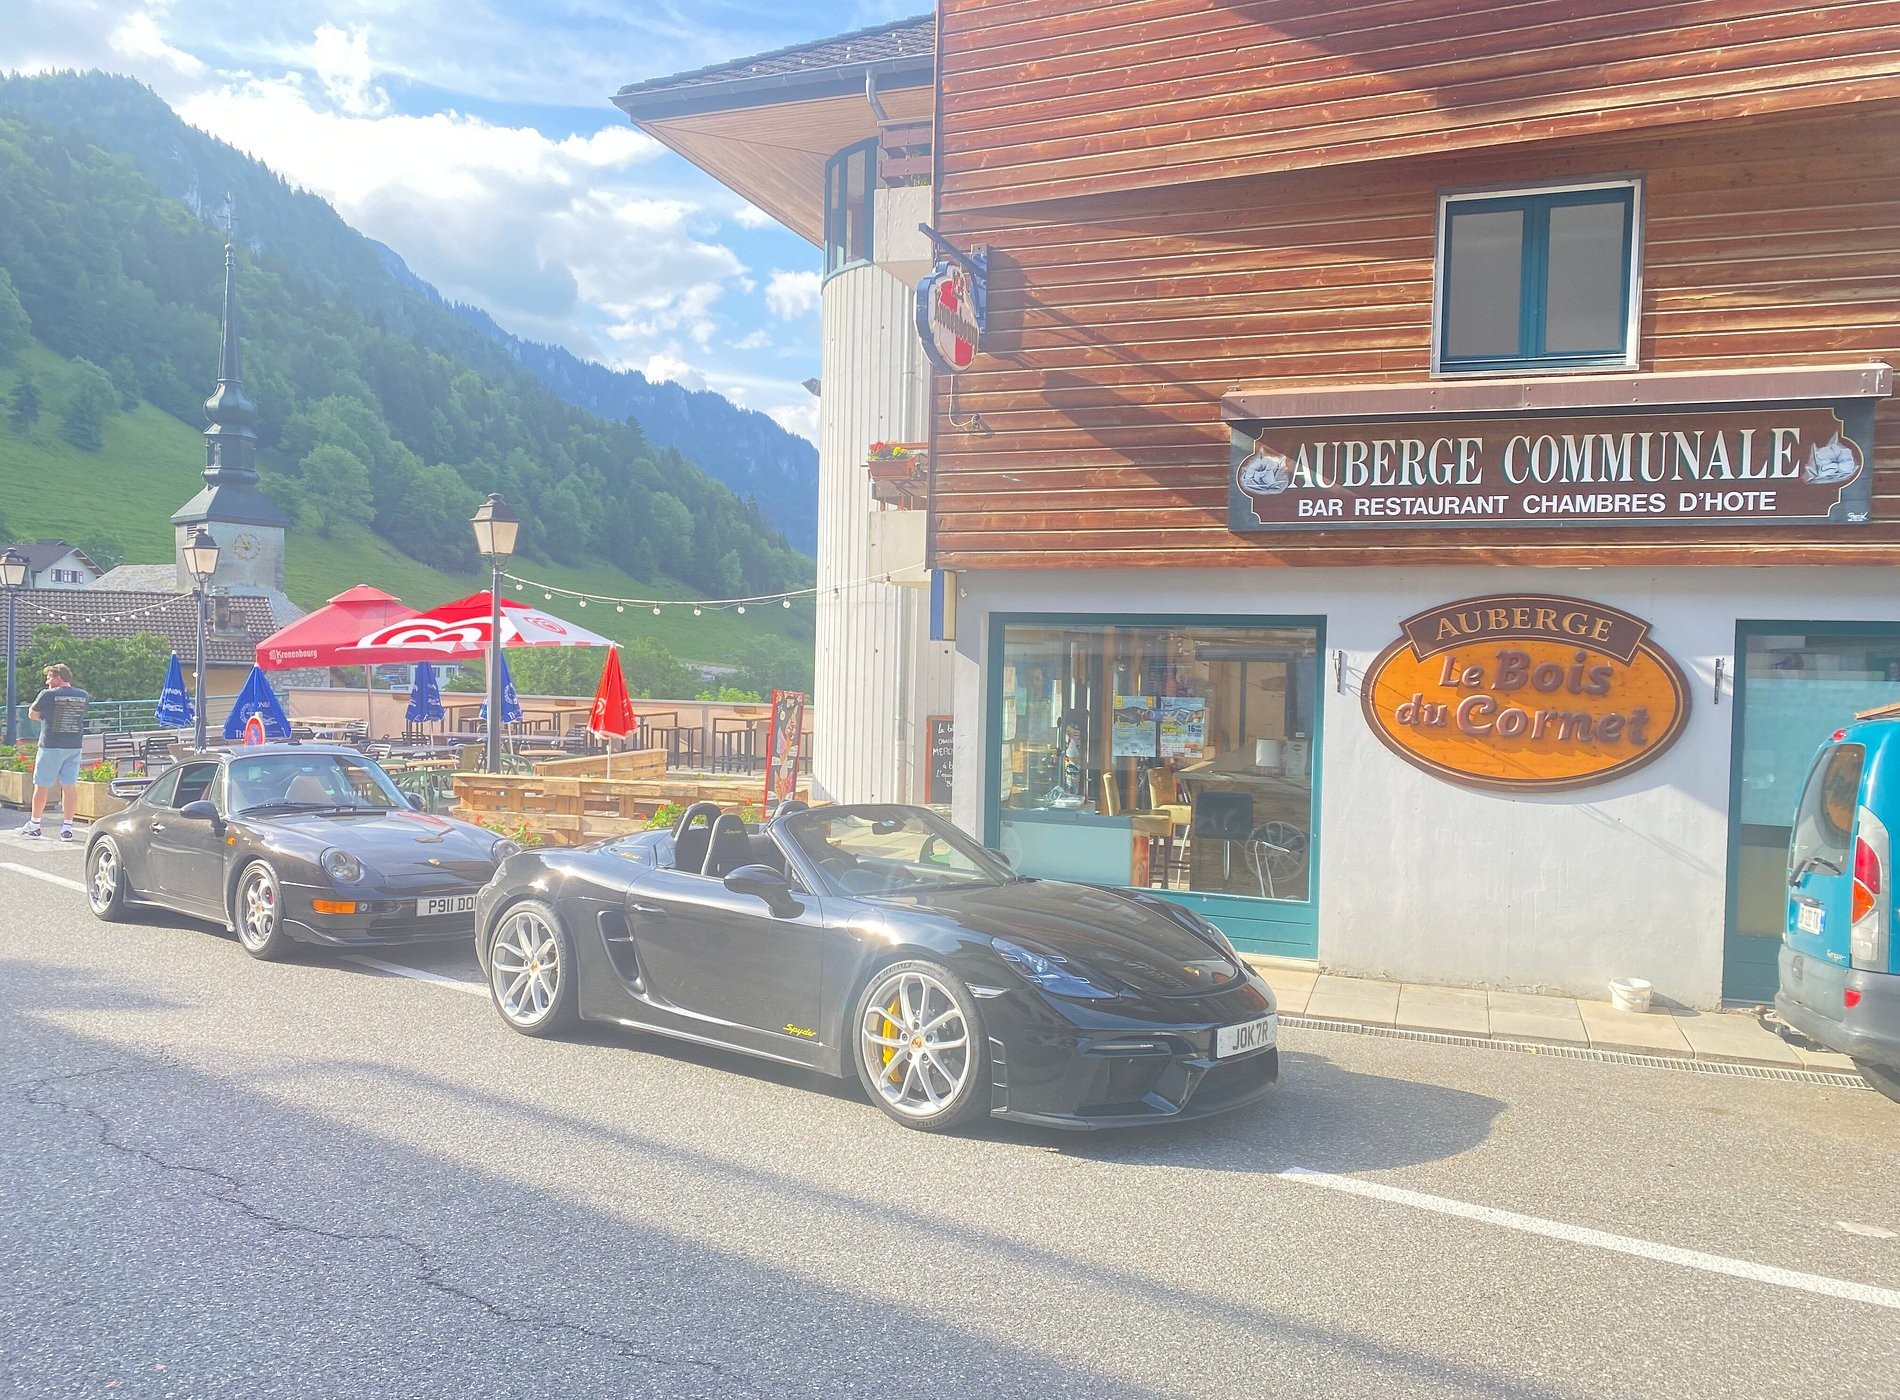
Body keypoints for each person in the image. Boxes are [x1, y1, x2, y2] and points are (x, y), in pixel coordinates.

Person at [21, 663, 90, 840]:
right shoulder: (83, 695)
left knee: (42, 785)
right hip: (74, 746)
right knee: (69, 786)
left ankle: (35, 824)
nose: (47, 682)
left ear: (58, 677)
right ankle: (67, 827)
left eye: (49, 677)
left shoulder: (48, 694)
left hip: (50, 745)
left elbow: (32, 714)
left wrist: (46, 715)